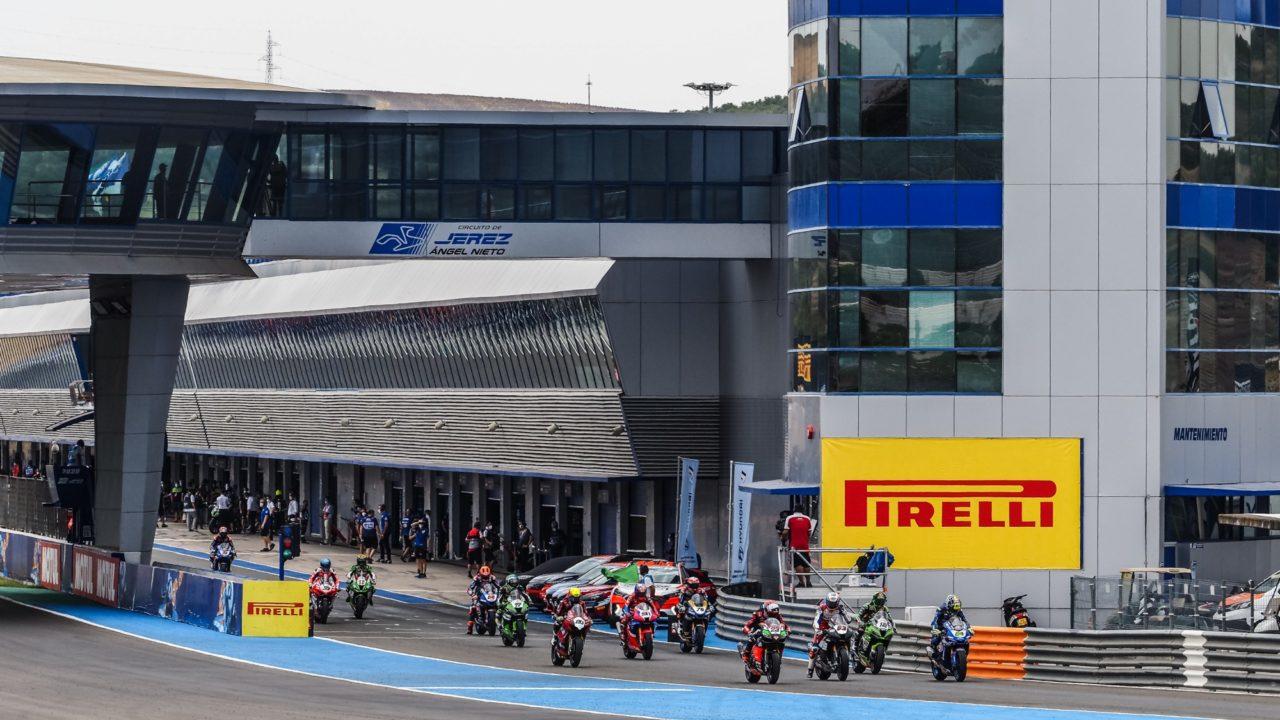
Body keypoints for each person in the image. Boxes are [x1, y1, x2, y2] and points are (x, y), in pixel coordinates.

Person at [807, 591, 853, 678]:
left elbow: (849, 620)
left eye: (834, 603)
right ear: (827, 601)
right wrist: (817, 629)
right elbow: (816, 620)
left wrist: (844, 612)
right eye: (830, 603)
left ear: (837, 602)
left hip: (837, 626)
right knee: (814, 648)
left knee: (848, 636)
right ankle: (810, 669)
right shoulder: (821, 608)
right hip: (823, 627)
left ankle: (848, 654)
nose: (832, 605)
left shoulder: (841, 608)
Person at [783, 507, 815, 588]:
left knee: (797, 564)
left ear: (794, 511)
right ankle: (808, 582)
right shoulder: (807, 518)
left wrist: (783, 538)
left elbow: (785, 532)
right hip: (805, 545)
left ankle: (801, 582)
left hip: (794, 546)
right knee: (806, 564)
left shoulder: (789, 518)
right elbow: (809, 532)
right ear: (802, 511)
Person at [466, 565, 500, 635]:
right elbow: (469, 588)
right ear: (480, 574)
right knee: (473, 607)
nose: (485, 578)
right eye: (484, 577)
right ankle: (470, 627)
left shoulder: (492, 578)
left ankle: (501, 624)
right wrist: (473, 595)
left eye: (487, 576)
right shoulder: (477, 578)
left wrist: (501, 592)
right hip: (479, 595)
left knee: (501, 606)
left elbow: (498, 586)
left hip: (490, 594)